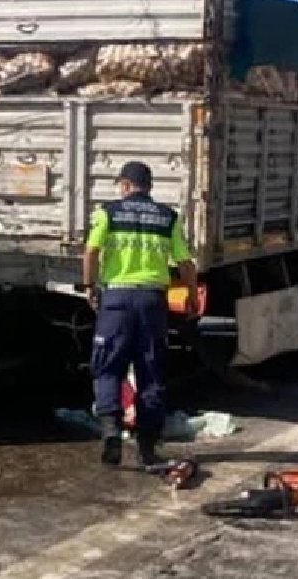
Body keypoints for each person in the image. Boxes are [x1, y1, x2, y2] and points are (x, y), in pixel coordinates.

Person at [82, 161, 201, 466]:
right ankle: (147, 446)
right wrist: (190, 294)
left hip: (116, 300)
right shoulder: (167, 218)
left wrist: (90, 286)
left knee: (108, 366)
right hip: (152, 301)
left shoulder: (107, 213)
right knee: (150, 370)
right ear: (149, 187)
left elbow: (92, 251)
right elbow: (185, 263)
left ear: (125, 185)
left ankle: (111, 430)